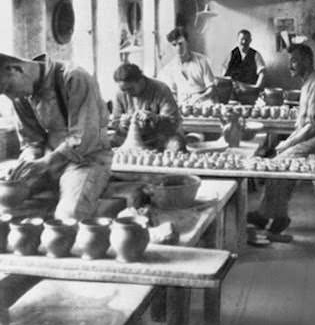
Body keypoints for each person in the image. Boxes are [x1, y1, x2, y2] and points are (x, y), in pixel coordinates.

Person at [0, 53, 112, 219]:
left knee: (68, 216)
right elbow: (32, 141)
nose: (11, 96)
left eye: (8, 88)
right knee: (7, 206)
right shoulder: (20, 96)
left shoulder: (73, 77)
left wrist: (45, 163)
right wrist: (28, 161)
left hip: (87, 159)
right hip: (48, 159)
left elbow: (85, 137)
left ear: (15, 69)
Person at [247, 44, 315, 237]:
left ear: (307, 61)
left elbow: (314, 125)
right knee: (277, 161)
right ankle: (267, 213)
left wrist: (288, 143)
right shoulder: (307, 83)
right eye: (291, 60)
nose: (291, 64)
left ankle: (278, 217)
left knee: (280, 164)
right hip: (313, 135)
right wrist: (288, 143)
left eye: (295, 60)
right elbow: (303, 124)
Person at [111, 63, 184, 152]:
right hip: (130, 138)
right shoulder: (120, 93)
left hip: (157, 137)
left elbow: (173, 122)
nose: (127, 93)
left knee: (176, 145)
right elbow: (115, 122)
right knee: (107, 145)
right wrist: (122, 124)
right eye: (123, 90)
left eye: (130, 89)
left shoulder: (161, 89)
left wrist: (155, 118)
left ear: (140, 80)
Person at [158, 27, 216, 104]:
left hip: (203, 101)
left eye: (181, 44)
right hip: (183, 104)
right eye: (174, 45)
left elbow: (212, 88)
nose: (178, 48)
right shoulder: (169, 68)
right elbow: (173, 94)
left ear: (187, 42)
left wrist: (200, 98)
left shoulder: (201, 60)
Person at [222, 29, 266, 100]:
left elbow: (262, 74)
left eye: (246, 39)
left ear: (250, 40)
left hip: (250, 93)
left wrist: (256, 87)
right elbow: (224, 72)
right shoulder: (232, 54)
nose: (244, 42)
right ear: (237, 40)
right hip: (233, 93)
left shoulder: (256, 55)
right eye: (242, 39)